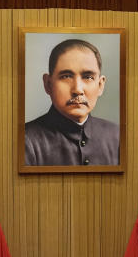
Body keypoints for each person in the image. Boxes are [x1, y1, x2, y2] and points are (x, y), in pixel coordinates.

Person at [24, 38, 119, 166]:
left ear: (100, 85)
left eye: (88, 77)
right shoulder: (26, 140)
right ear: (48, 84)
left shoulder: (117, 136)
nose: (78, 90)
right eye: (66, 76)